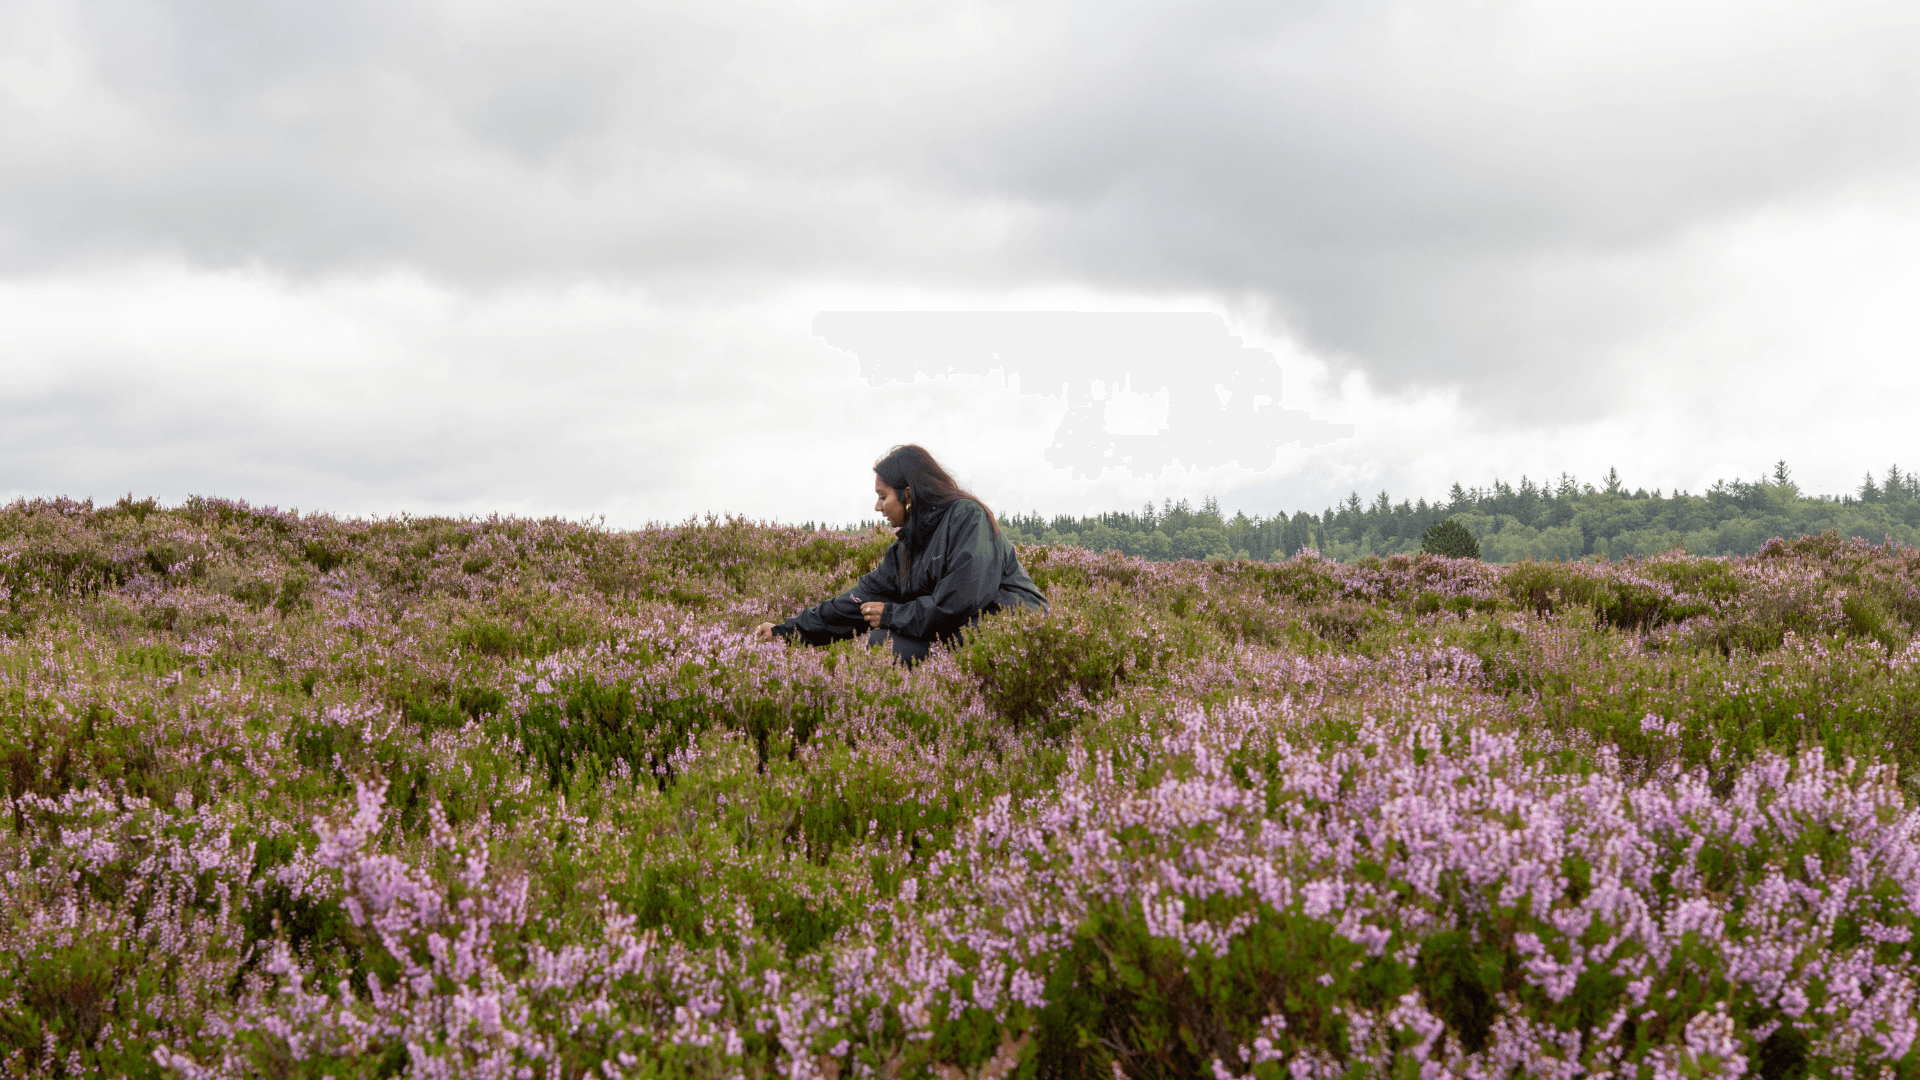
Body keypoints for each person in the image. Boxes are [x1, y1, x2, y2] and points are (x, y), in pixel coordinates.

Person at [752, 444, 1048, 662]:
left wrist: (892, 614)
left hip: (1009, 635)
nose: (877, 507)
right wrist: (785, 631)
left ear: (908, 495)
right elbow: (854, 603)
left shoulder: (968, 518)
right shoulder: (904, 550)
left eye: (883, 497)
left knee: (895, 639)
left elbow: (960, 603)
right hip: (957, 638)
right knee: (883, 644)